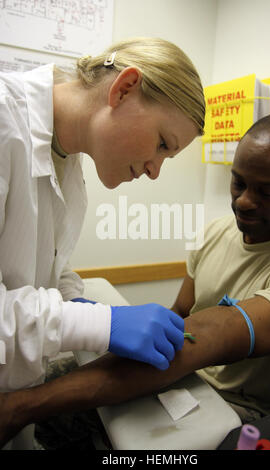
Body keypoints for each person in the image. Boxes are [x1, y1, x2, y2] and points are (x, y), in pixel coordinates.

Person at [1, 112, 270, 449]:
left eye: (268, 192)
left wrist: (17, 408)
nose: (244, 200)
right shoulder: (214, 234)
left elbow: (210, 334)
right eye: (238, 183)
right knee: (48, 403)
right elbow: (180, 315)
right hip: (186, 374)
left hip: (239, 409)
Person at [0, 36, 205, 448]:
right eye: (162, 144)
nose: (154, 171)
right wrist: (102, 324)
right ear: (124, 88)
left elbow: (42, 267)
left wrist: (76, 301)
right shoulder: (5, 122)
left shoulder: (68, 163)